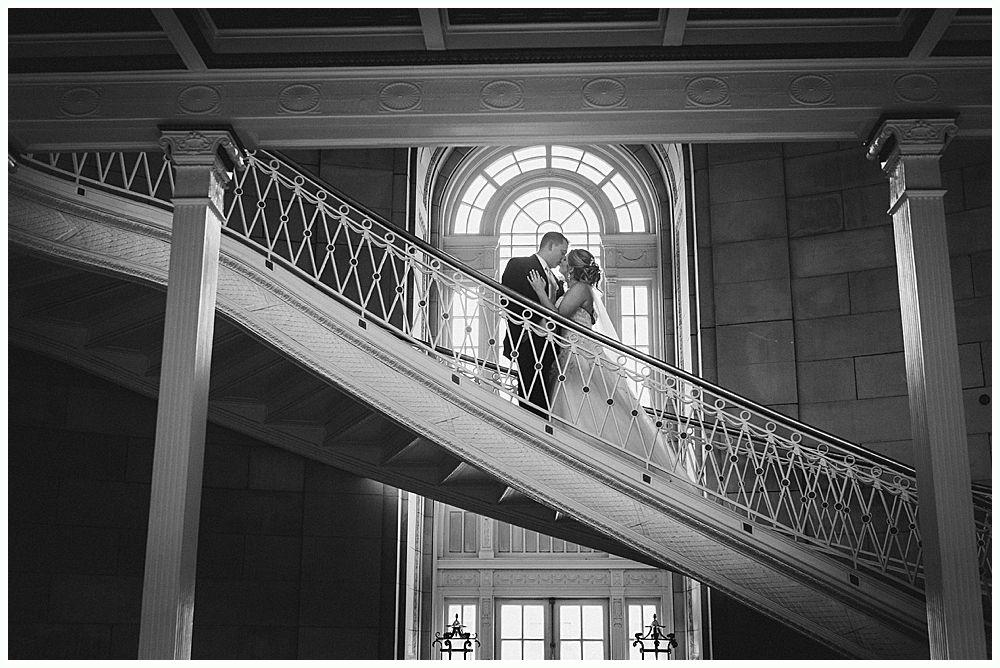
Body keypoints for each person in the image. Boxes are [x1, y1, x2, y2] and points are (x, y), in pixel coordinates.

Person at [526, 248, 676, 470]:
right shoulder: (574, 289)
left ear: (573, 268)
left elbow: (559, 317)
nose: (562, 263)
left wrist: (539, 292)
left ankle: (592, 457)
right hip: (569, 353)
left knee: (584, 404)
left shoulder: (580, 289)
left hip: (579, 355)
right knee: (575, 404)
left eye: (566, 261)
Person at [500, 231, 569, 416]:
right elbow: (507, 300)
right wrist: (526, 331)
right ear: (550, 245)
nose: (563, 258)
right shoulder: (519, 265)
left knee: (545, 396)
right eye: (562, 252)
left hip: (551, 346)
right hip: (527, 340)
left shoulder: (556, 280)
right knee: (530, 394)